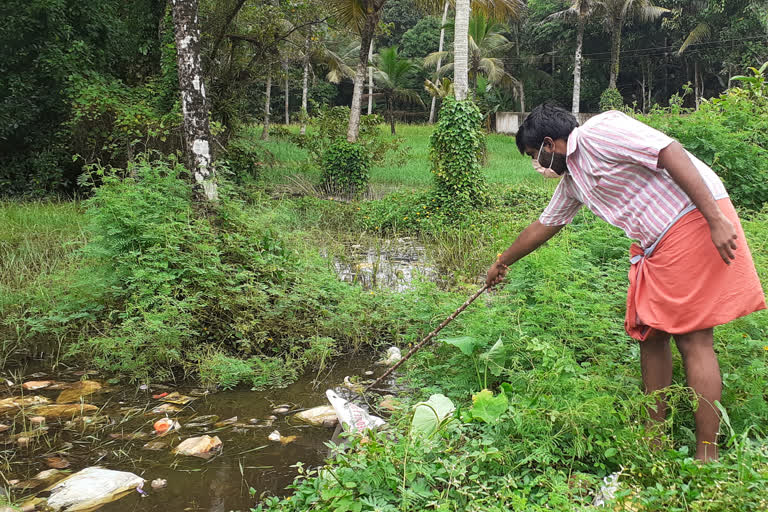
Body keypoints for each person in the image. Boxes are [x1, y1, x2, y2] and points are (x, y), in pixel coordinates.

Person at [486, 104, 766, 462]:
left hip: (692, 220)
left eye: (534, 155)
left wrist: (714, 218)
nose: (536, 165)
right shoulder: (574, 179)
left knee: (694, 339)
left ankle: (706, 457)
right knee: (650, 334)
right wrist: (501, 262)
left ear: (548, 143)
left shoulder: (598, 133)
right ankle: (654, 439)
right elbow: (545, 225)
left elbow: (669, 151)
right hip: (656, 242)